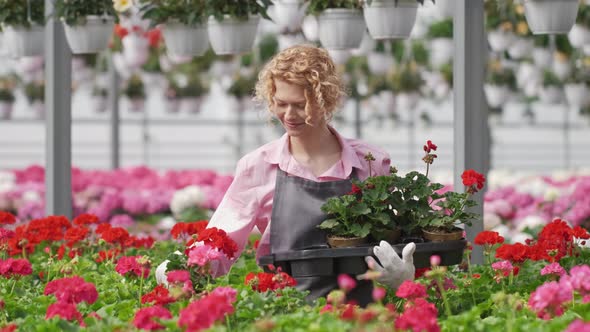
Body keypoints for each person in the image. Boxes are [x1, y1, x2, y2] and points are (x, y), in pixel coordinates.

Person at [157, 44, 415, 305]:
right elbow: (223, 239)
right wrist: (184, 268)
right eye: (281, 104)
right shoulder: (258, 166)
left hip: (364, 314)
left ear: (325, 100)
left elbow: (398, 234)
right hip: (288, 313)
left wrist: (404, 274)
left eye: (301, 105)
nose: (289, 115)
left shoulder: (369, 162)